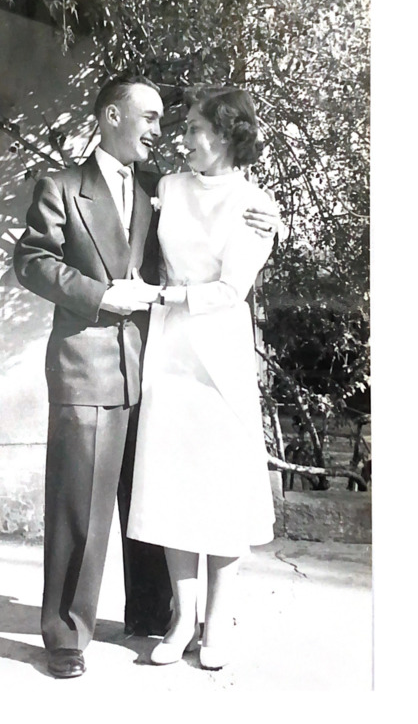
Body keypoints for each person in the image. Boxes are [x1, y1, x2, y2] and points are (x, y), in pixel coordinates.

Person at [13, 76, 280, 679]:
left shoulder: (174, 187)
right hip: (110, 360)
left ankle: (174, 618)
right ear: (113, 116)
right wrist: (105, 295)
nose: (165, 133)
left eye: (177, 123)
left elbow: (229, 230)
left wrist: (274, 221)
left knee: (183, 488)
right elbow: (31, 261)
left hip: (176, 359)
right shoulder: (77, 185)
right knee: (90, 502)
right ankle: (69, 633)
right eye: (154, 118)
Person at [127, 85, 277, 671]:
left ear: (224, 135)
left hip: (218, 355)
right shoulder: (168, 186)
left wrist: (165, 294)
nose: (183, 136)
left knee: (220, 488)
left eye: (192, 127)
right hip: (168, 350)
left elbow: (230, 291)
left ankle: (218, 621)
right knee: (171, 481)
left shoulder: (253, 204)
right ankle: (181, 617)